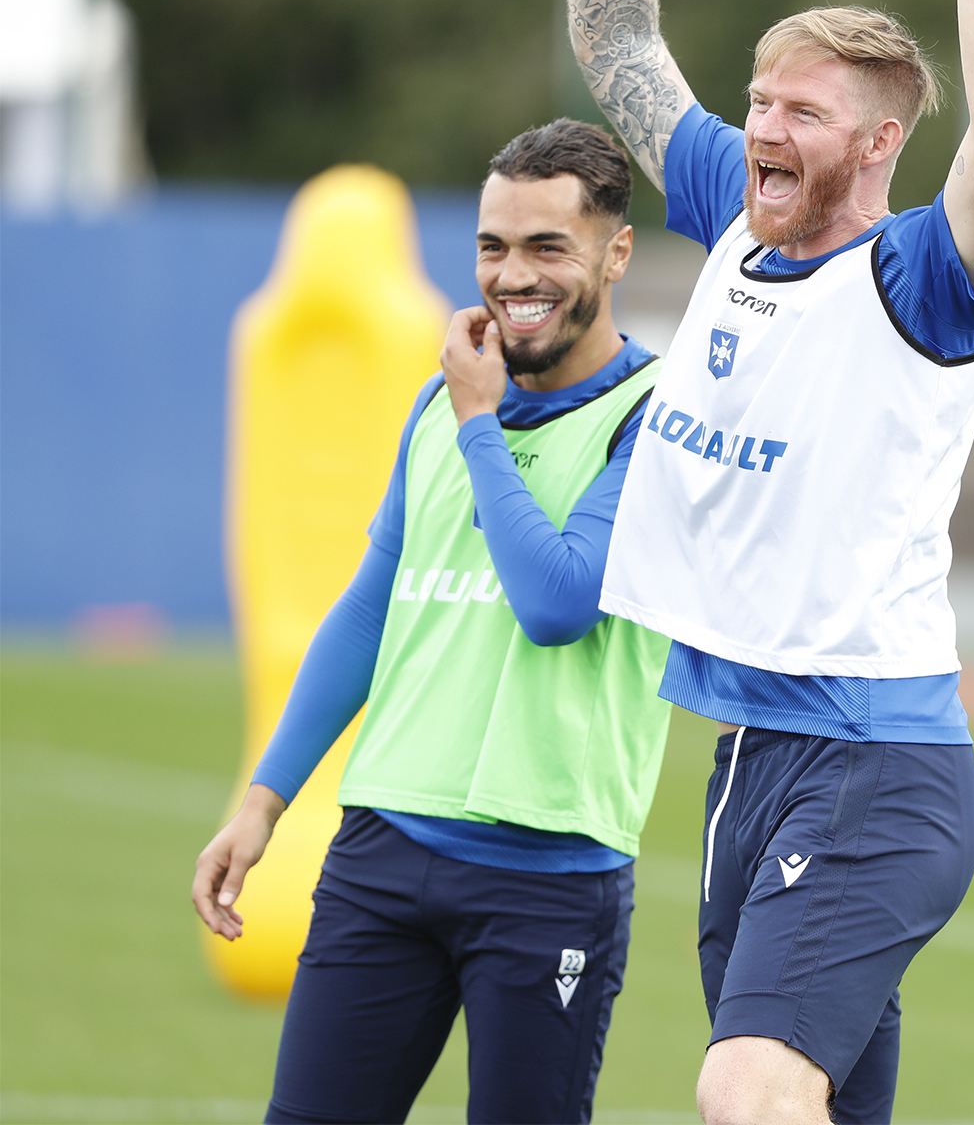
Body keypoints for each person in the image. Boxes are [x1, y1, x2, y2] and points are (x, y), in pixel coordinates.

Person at [565, 0, 974, 1121]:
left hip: (876, 758)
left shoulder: (918, 278)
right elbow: (616, 37)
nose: (763, 127)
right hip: (753, 748)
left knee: (747, 1091)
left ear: (882, 141)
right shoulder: (732, 204)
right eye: (758, 100)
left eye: (804, 111)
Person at [191, 119, 674, 1125]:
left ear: (615, 252)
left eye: (548, 246)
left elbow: (555, 603)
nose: (513, 275)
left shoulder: (654, 417)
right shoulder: (440, 404)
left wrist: (478, 424)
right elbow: (370, 606)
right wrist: (265, 798)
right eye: (494, 246)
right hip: (381, 848)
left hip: (550, 872)